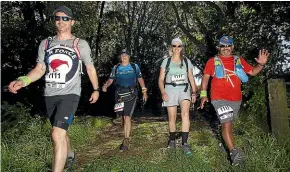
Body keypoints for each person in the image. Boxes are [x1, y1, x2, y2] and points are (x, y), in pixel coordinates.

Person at [8, 6, 100, 172]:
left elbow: (90, 68)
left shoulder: (80, 44)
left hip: (70, 94)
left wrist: (96, 89)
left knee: (56, 134)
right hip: (50, 94)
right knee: (60, 131)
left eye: (65, 18)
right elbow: (39, 69)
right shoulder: (46, 44)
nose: (61, 21)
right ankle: (70, 154)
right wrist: (23, 80)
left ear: (72, 21)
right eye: (57, 18)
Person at [200, 36, 270, 165]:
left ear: (232, 47)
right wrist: (203, 94)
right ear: (219, 47)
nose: (225, 48)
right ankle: (234, 152)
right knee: (226, 123)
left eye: (228, 45)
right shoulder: (212, 61)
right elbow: (205, 78)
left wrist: (261, 64)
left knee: (229, 125)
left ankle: (230, 150)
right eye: (223, 46)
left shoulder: (239, 60)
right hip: (219, 97)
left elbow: (253, 72)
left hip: (236, 99)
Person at [102, 49, 148, 151]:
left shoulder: (134, 66)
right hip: (119, 94)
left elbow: (140, 79)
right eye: (122, 55)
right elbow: (111, 79)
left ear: (129, 56)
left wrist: (144, 91)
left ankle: (126, 140)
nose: (124, 57)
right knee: (122, 117)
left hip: (131, 93)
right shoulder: (116, 67)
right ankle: (125, 132)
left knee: (127, 116)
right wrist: (105, 85)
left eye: (126, 55)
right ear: (120, 57)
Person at [158, 38, 197, 155]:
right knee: (172, 116)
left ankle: (185, 143)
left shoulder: (186, 61)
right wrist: (163, 92)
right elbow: (160, 79)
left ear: (182, 48)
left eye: (179, 46)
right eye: (174, 46)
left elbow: (191, 77)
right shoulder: (166, 61)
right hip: (170, 89)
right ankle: (172, 140)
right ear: (171, 47)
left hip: (184, 89)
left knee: (185, 114)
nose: (176, 48)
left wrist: (194, 92)